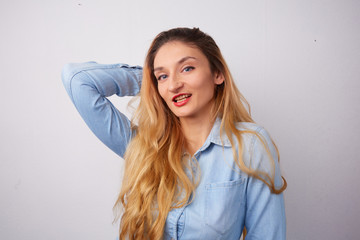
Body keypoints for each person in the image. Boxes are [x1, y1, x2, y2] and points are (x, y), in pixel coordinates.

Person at [62, 27, 287, 240]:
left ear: (217, 73)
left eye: (187, 68)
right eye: (163, 76)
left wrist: (165, 80)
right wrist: (152, 84)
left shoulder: (250, 145)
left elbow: (267, 235)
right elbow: (77, 79)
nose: (174, 85)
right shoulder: (145, 147)